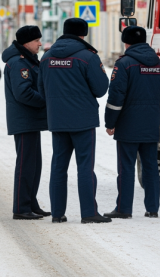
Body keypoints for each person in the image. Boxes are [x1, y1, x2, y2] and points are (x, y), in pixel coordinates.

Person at [39, 18, 111, 224]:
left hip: (57, 120)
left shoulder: (46, 57)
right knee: (85, 167)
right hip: (83, 121)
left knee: (58, 167)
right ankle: (88, 213)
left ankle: (57, 213)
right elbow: (100, 89)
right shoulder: (87, 57)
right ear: (83, 34)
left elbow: (41, 89)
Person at [104, 26, 160, 219]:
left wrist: (110, 122)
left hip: (127, 126)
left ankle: (124, 209)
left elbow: (116, 97)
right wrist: (155, 118)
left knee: (126, 167)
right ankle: (152, 209)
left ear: (126, 42)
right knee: (150, 166)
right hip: (150, 126)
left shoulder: (124, 64)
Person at [3, 26, 51, 220]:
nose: (40, 43)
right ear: (26, 43)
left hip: (31, 120)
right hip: (24, 119)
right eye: (36, 40)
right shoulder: (19, 63)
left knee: (34, 164)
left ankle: (31, 203)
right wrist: (45, 101)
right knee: (25, 164)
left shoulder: (28, 60)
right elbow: (23, 93)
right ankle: (21, 208)